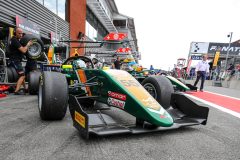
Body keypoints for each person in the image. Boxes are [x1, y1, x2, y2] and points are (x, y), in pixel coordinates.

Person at [8, 27, 32, 95]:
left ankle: (25, 89)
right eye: (19, 33)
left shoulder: (15, 40)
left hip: (15, 60)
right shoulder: (14, 40)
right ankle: (16, 91)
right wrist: (28, 45)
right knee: (22, 75)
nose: (21, 35)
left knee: (22, 75)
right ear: (15, 32)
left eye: (22, 33)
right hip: (15, 60)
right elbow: (24, 50)